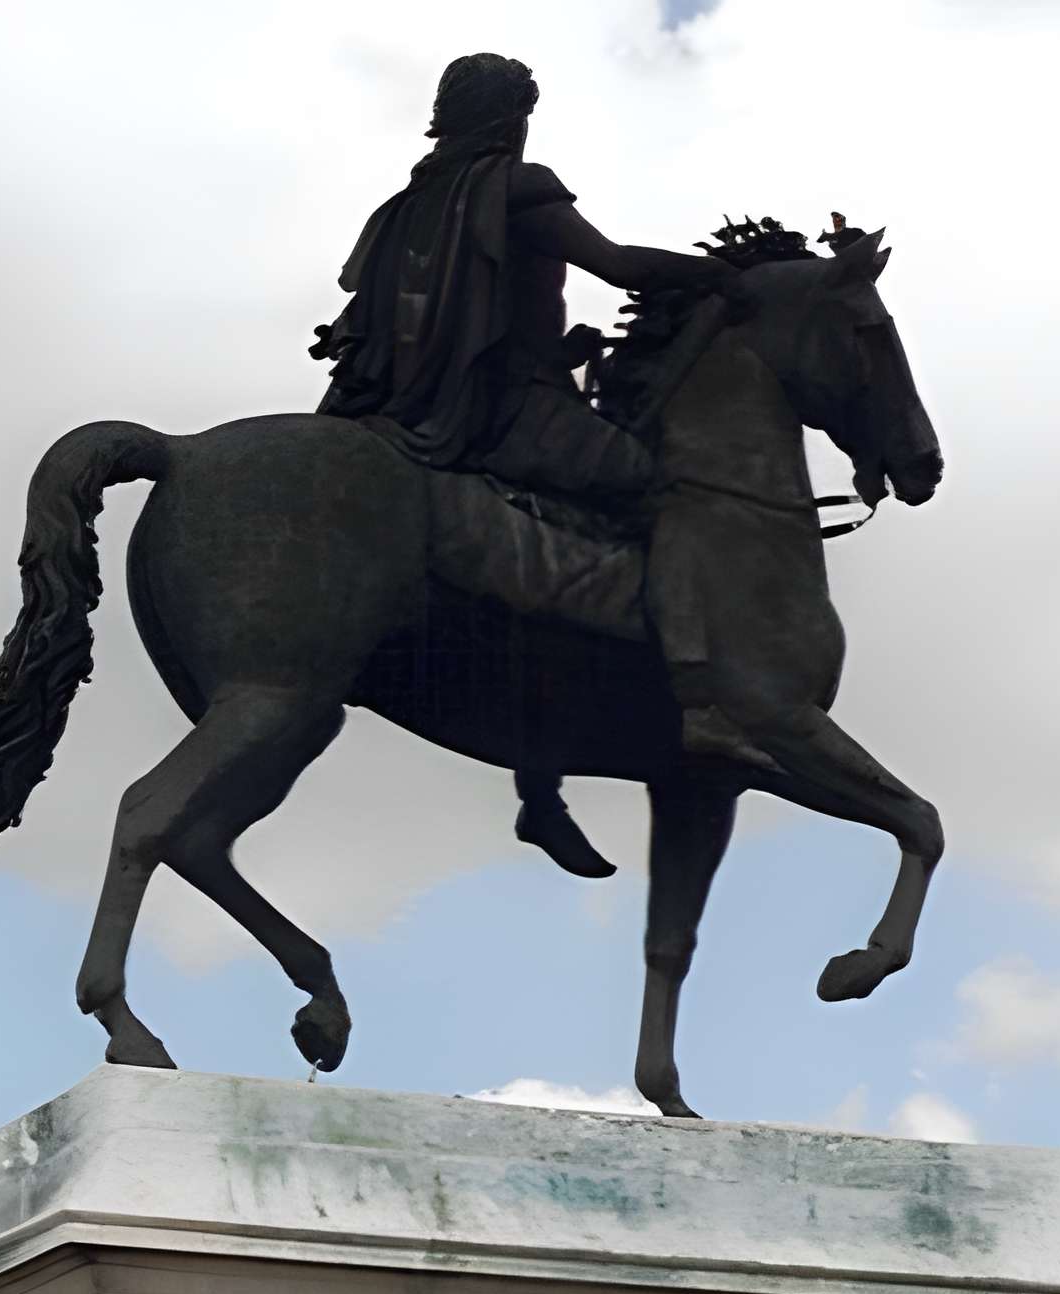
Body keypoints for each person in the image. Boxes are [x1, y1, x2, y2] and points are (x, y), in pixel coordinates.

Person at [314, 53, 750, 879]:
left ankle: (543, 777)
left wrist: (559, 351)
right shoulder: (517, 187)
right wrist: (725, 278)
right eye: (521, 112)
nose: (523, 127)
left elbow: (437, 322)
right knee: (664, 490)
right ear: (508, 118)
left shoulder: (405, 206)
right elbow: (618, 266)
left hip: (413, 405)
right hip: (507, 411)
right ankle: (699, 699)